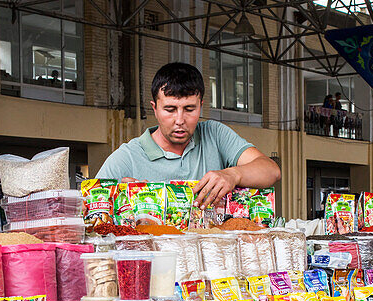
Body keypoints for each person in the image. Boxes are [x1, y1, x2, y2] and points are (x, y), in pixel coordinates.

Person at [94, 62, 280, 209]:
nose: (180, 119)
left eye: (189, 109)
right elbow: (91, 207)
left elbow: (271, 171)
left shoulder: (214, 135)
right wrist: (119, 199)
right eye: (170, 109)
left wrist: (233, 174)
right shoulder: (128, 157)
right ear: (155, 109)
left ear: (201, 106)